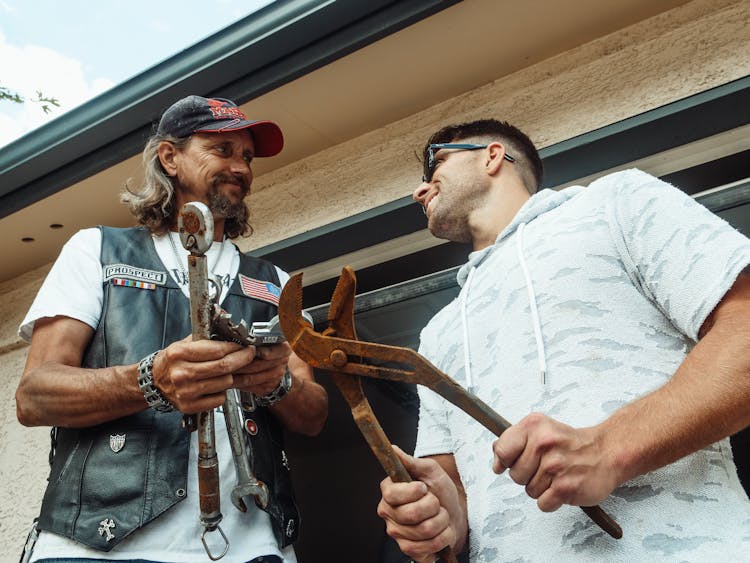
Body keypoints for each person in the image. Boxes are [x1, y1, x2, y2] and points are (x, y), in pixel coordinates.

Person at [376, 119, 750, 562]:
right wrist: (437, 519)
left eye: (435, 164)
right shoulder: (437, 332)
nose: (420, 191)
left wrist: (609, 448)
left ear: (493, 155)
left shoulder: (615, 204)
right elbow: (453, 491)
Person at [16, 95, 328, 563]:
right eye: (221, 150)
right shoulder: (97, 251)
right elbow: (34, 395)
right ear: (170, 157)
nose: (240, 167)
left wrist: (276, 383)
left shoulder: (277, 283)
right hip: (98, 547)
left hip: (251, 548)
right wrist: (150, 381)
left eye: (246, 156)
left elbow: (314, 413)